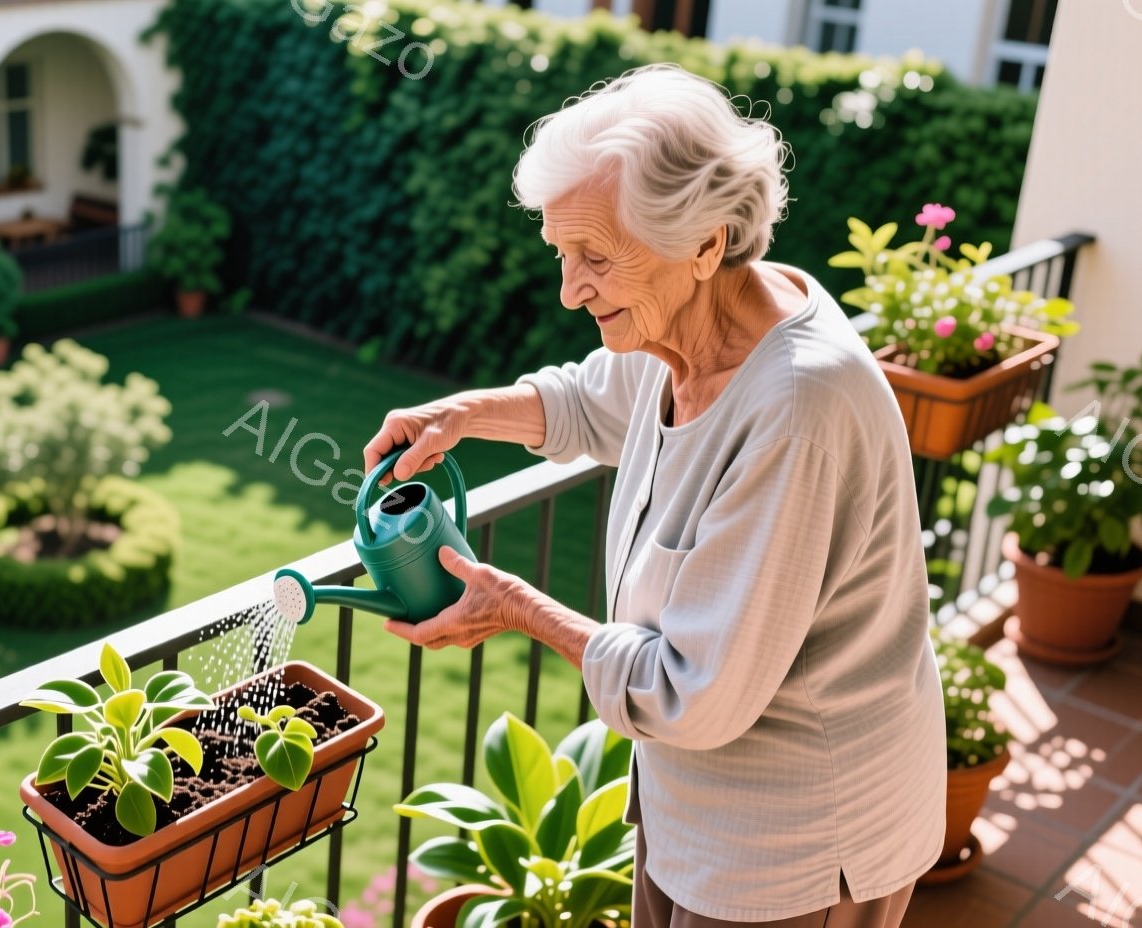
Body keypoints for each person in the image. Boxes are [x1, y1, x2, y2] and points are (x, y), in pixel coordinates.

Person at [362, 64, 945, 928]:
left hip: (794, 852)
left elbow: (690, 694)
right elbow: (588, 399)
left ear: (708, 243)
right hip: (693, 815)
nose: (570, 289)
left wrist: (518, 608)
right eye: (563, 254)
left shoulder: (795, 409)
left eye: (596, 258)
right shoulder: (691, 322)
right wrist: (462, 413)